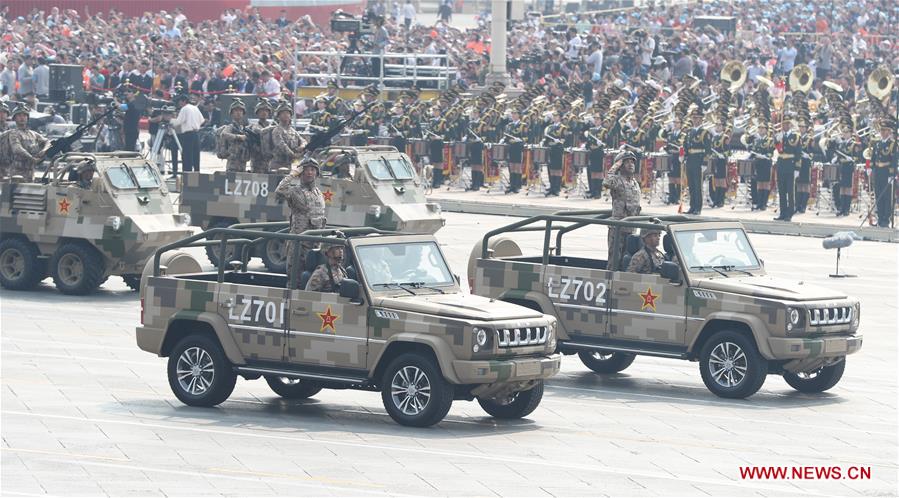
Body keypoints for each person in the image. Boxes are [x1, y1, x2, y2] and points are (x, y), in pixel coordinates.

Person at [276, 158, 326, 281]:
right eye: (306, 170)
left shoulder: (318, 192)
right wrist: (293, 174)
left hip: (315, 243)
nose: (310, 173)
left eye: (313, 170)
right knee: (295, 278)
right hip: (299, 244)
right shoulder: (295, 191)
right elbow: (280, 190)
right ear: (301, 173)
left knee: (312, 278)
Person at [605, 150, 641, 264]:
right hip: (617, 229)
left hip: (631, 228)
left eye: (632, 162)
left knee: (627, 260)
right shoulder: (617, 180)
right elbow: (606, 182)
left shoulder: (634, 183)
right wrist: (615, 166)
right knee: (614, 260)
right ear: (621, 165)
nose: (631, 165)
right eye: (627, 162)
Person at [7, 104, 49, 181]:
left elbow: (47, 142)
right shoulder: (13, 133)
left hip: (30, 172)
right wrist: (32, 158)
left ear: (27, 117)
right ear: (15, 118)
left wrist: (44, 151)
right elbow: (17, 148)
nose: (22, 117)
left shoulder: (33, 134)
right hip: (17, 174)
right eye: (19, 115)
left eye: (24, 115)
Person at [682, 110, 709, 215]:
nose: (695, 120)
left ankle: (698, 208)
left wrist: (705, 163)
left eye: (697, 118)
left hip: (699, 160)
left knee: (698, 186)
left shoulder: (704, 132)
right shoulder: (689, 132)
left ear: (701, 119)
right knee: (691, 185)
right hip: (690, 160)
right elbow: (685, 145)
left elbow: (708, 149)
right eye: (693, 118)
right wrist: (683, 156)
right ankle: (692, 207)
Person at [870, 122, 897, 228]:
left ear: (889, 131)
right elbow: (873, 157)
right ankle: (880, 217)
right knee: (878, 195)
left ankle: (886, 218)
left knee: (887, 196)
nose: (882, 132)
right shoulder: (877, 143)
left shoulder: (893, 144)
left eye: (885, 130)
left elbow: (894, 160)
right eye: (881, 130)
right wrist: (870, 168)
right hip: (878, 172)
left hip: (887, 172)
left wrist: (892, 173)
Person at [774, 118, 800, 221]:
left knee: (790, 191)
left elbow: (798, 153)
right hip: (781, 165)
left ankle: (790, 213)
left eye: (787, 124)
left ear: (790, 125)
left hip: (790, 165)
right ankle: (782, 213)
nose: (784, 126)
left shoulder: (795, 137)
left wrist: (797, 168)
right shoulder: (779, 136)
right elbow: (775, 148)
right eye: (783, 124)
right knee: (782, 191)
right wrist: (776, 139)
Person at [171, 94, 204, 173]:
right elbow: (202, 120)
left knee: (187, 156)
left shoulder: (184, 109)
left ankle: (187, 174)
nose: (179, 104)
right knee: (196, 156)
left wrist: (170, 120)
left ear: (183, 101)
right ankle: (197, 173)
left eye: (180, 102)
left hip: (188, 134)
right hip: (196, 133)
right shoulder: (195, 108)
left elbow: (178, 122)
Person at [270, 101, 306, 170]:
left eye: (288, 113)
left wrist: (302, 146)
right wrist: (294, 155)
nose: (286, 115)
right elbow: (282, 145)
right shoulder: (277, 130)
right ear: (278, 116)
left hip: (289, 164)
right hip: (277, 164)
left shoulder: (293, 131)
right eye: (283, 113)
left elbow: (303, 141)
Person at [217, 99, 251, 172]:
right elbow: (224, 134)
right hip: (233, 163)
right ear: (231, 113)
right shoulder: (231, 127)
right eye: (236, 111)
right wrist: (238, 137)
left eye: (240, 111)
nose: (238, 113)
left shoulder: (244, 128)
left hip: (242, 162)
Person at [249, 100, 274, 173]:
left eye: (266, 111)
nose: (264, 113)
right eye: (261, 111)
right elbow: (260, 132)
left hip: (270, 159)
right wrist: (272, 128)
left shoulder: (272, 125)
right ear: (257, 113)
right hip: (257, 160)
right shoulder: (254, 126)